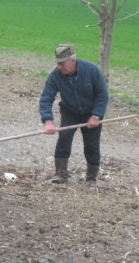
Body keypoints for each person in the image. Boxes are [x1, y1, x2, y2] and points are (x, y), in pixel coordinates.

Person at [39, 44, 108, 186]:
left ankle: (91, 178)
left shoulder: (91, 70)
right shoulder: (55, 76)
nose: (59, 67)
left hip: (91, 113)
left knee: (91, 145)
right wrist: (48, 120)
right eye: (57, 63)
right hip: (69, 112)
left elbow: (102, 94)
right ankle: (61, 175)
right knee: (63, 139)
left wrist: (96, 115)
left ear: (73, 61)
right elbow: (46, 97)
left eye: (62, 63)